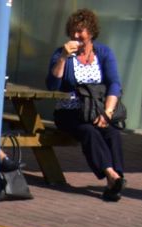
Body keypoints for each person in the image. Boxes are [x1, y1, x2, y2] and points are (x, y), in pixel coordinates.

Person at [46, 9, 126, 201]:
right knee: (89, 132)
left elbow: (114, 84)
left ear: (91, 32)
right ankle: (111, 175)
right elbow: (52, 84)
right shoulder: (61, 53)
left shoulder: (104, 52)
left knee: (113, 133)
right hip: (69, 112)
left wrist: (107, 112)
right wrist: (63, 58)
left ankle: (115, 180)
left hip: (97, 110)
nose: (75, 35)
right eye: (73, 31)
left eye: (80, 31)